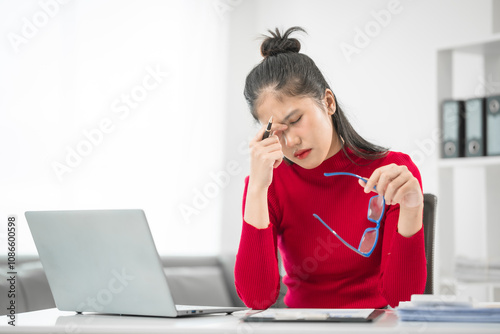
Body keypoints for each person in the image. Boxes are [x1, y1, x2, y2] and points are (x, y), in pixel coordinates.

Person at [234, 27, 426, 310]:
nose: (291, 141)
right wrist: (257, 189)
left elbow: (403, 299)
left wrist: (412, 207)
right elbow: (257, 298)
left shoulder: (391, 171)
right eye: (277, 131)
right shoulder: (270, 183)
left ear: (328, 102)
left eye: (296, 119)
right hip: (301, 328)